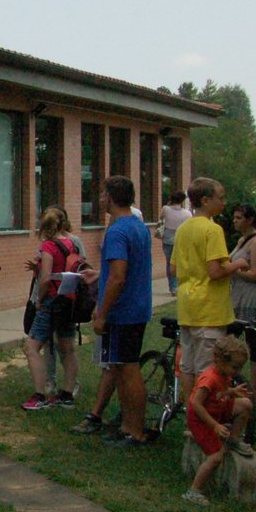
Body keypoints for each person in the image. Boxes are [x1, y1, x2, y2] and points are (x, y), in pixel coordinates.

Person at [80, 176, 155, 446]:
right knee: (122, 367)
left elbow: (119, 277)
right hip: (138, 306)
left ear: (110, 197)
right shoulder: (139, 226)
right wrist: (100, 274)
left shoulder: (117, 231)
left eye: (102, 194)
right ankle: (127, 425)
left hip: (124, 311)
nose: (100, 198)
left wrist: (101, 311)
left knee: (128, 369)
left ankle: (135, 430)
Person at [173, 177, 248, 400]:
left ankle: (191, 411)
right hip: (209, 309)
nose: (224, 203)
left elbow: (173, 266)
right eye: (220, 198)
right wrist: (237, 264)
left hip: (187, 307)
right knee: (208, 368)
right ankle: (204, 414)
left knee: (188, 364)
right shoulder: (212, 230)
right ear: (206, 200)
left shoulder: (183, 229)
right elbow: (215, 271)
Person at [20, 209, 81, 410]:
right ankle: (67, 394)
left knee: (32, 347)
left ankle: (40, 395)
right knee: (68, 347)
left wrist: (39, 300)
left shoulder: (48, 245)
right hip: (68, 300)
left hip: (51, 301)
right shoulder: (71, 244)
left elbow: (46, 277)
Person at [182, 335, 254, 505]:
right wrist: (214, 425)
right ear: (219, 360)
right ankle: (194, 490)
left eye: (240, 367)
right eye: (235, 367)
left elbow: (220, 392)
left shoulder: (224, 374)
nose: (238, 371)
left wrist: (231, 392)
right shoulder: (209, 378)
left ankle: (233, 439)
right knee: (216, 457)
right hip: (202, 419)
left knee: (246, 405)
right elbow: (196, 403)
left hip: (218, 408)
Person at [229, 203, 256, 394]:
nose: (234, 221)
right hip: (239, 295)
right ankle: (229, 377)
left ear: (250, 220)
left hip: (254, 297)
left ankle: (254, 386)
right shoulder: (241, 241)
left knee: (253, 339)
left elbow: (255, 273)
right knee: (230, 337)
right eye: (234, 217)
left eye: (239, 218)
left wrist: (233, 269)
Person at [156, 190, 191, 295]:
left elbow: (161, 218)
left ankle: (173, 287)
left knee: (170, 263)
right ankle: (181, 284)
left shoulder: (166, 209)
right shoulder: (187, 214)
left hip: (167, 239)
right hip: (181, 240)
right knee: (181, 263)